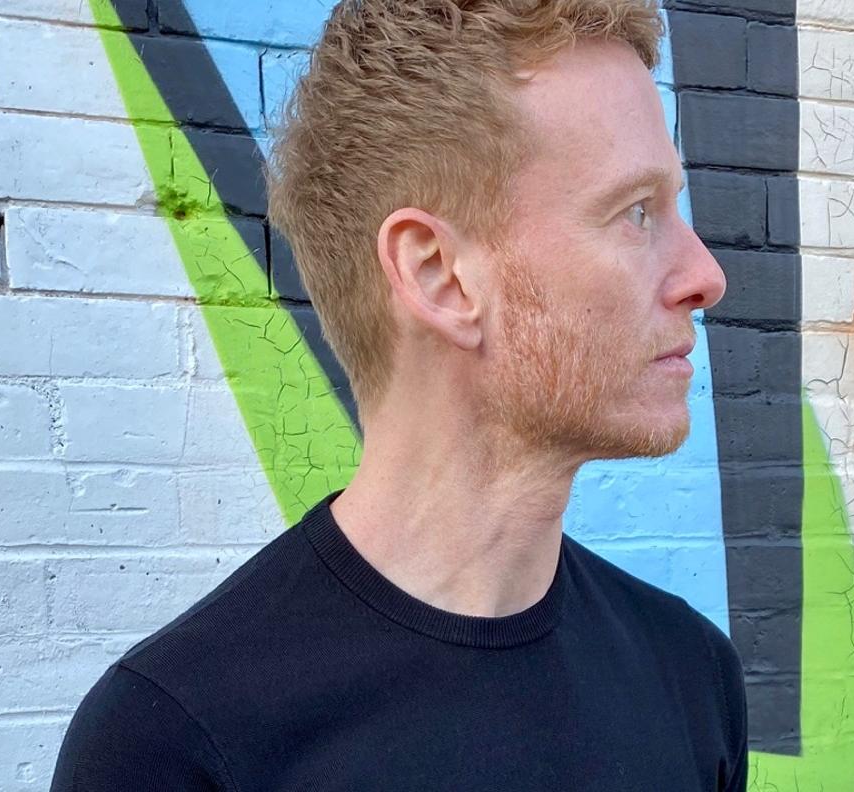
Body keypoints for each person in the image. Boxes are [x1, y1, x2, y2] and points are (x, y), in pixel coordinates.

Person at [50, 1, 746, 789]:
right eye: (637, 212)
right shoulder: (179, 743)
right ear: (437, 275)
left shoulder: (690, 679)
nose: (705, 277)